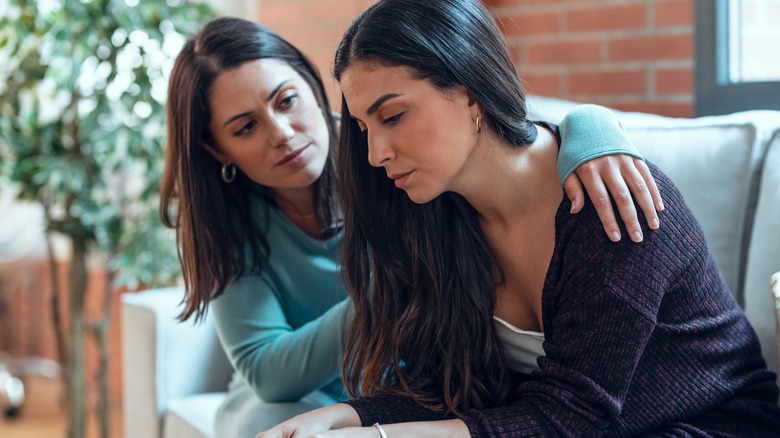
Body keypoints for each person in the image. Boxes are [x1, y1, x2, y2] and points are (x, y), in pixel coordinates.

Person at [256, 0, 780, 437]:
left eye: (393, 116)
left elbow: (572, 416)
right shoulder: (439, 219)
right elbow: (449, 394)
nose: (376, 153)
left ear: (471, 94)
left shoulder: (609, 203)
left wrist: (381, 436)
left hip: (712, 424)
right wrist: (344, 416)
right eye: (366, 127)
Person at [160, 16, 665, 437]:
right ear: (216, 150)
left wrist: (595, 129)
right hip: (329, 392)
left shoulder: (398, 164)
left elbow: (503, 131)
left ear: (313, 89)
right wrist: (395, 286)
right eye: (246, 127)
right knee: (273, 422)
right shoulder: (239, 220)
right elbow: (270, 375)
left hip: (406, 383)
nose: (283, 134)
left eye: (287, 100)